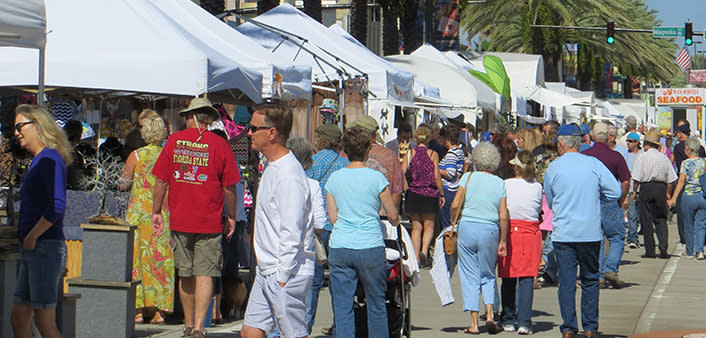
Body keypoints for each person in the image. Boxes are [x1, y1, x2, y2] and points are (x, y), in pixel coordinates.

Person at [152, 97, 240, 338]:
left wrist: (156, 211)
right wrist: (231, 216)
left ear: (191, 117)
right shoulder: (220, 145)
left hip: (180, 219)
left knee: (186, 273)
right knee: (205, 273)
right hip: (209, 221)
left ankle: (188, 324)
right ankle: (200, 327)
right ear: (208, 119)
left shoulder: (174, 141)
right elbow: (230, 187)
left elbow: (161, 180)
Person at [240, 103, 315, 338]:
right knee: (251, 330)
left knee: (292, 334)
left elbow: (292, 229)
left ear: (272, 133)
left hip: (286, 269)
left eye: (254, 128)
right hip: (269, 267)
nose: (249, 133)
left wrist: (283, 275)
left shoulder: (288, 175)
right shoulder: (273, 166)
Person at [544, 124, 621, 338]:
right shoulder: (593, 164)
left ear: (561, 143)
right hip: (589, 231)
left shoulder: (554, 167)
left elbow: (550, 200)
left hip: (565, 232)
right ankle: (590, 327)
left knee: (567, 282)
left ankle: (568, 327)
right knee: (589, 279)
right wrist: (598, 198)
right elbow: (614, 191)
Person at [325, 126, 401, 338]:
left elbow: (333, 218)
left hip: (340, 245)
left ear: (346, 151)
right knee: (376, 302)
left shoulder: (334, 179)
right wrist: (395, 220)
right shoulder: (377, 179)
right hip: (369, 244)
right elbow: (392, 214)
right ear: (368, 149)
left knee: (343, 306)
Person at [11, 104, 73, 338]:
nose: (16, 132)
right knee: (18, 318)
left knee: (44, 322)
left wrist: (33, 236)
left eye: (19, 126)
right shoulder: (41, 159)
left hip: (44, 247)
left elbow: (57, 205)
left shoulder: (49, 158)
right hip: (35, 248)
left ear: (37, 125)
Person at [119, 110, 173, 324]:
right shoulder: (168, 155)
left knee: (137, 259)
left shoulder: (137, 155)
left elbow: (123, 182)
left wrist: (124, 181)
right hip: (161, 213)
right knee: (159, 259)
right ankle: (159, 310)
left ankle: (138, 309)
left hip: (140, 213)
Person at [450, 142, 508, 335]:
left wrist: (453, 220)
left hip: (468, 226)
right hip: (490, 229)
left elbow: (456, 203)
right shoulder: (500, 183)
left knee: (469, 275)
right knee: (488, 273)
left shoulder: (468, 177)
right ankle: (490, 313)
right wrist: (503, 240)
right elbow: (503, 215)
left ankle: (474, 323)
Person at [306, 124, 349, 335]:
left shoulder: (314, 161)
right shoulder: (345, 163)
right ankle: (339, 326)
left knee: (313, 281)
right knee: (338, 280)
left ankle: (305, 325)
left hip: (317, 226)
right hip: (338, 225)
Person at [581, 122, 631, 289]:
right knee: (617, 236)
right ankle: (611, 268)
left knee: (599, 238)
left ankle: (600, 274)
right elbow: (625, 181)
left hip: (591, 201)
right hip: (610, 201)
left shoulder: (585, 155)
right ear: (608, 137)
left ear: (593, 136)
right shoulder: (616, 156)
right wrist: (622, 198)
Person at [498, 150, 542, 335]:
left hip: (510, 230)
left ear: (516, 166)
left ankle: (508, 318)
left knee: (508, 276)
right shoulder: (537, 186)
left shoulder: (506, 184)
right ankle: (524, 321)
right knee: (526, 278)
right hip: (530, 231)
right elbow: (538, 208)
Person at [631, 130, 678, 259]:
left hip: (646, 188)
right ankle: (663, 246)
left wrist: (634, 192)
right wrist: (668, 193)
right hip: (660, 188)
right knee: (661, 218)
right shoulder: (664, 158)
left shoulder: (642, 157)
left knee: (646, 220)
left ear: (646, 144)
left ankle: (650, 250)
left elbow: (636, 178)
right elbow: (672, 179)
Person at [402, 126, 444, 267]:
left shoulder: (411, 153)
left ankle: (415, 256)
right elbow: (437, 176)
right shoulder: (433, 154)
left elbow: (402, 171)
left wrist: (406, 185)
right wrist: (442, 193)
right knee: (429, 225)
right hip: (429, 193)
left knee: (416, 227)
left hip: (414, 193)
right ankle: (424, 252)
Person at [346, 115, 405, 211]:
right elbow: (397, 191)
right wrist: (389, 215)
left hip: (352, 215)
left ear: (362, 130)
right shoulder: (390, 155)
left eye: (354, 131)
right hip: (382, 215)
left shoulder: (347, 153)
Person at [669, 137, 706, 259]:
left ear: (690, 150)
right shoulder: (704, 162)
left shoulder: (685, 163)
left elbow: (681, 181)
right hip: (702, 196)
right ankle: (699, 250)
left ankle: (689, 251)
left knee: (688, 224)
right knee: (701, 225)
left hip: (689, 196)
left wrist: (674, 197)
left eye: (685, 148)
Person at [439, 124, 464, 229]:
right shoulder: (459, 151)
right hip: (455, 188)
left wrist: (435, 169)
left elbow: (450, 173)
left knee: (446, 222)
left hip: (448, 189)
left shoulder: (451, 154)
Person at [625, 132, 643, 249]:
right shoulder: (625, 155)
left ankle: (637, 234)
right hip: (631, 188)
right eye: (627, 141)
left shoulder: (643, 155)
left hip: (643, 189)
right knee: (632, 215)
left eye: (630, 141)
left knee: (641, 216)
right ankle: (632, 237)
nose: (628, 143)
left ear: (637, 143)